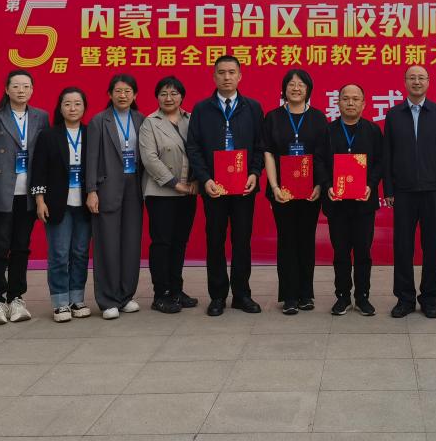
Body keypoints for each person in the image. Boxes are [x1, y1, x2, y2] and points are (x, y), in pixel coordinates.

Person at [186, 55, 265, 316]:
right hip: (214, 188)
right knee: (215, 241)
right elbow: (193, 147)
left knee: (242, 241)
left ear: (240, 76)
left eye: (232, 72)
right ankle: (218, 296)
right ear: (214, 76)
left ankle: (242, 295)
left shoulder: (252, 108)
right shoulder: (202, 109)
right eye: (221, 72)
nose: (227, 77)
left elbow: (260, 145)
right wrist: (205, 178)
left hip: (244, 187)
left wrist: (255, 173)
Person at [0, 69, 49, 326]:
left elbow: (45, 156)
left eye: (26, 86)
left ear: (32, 90)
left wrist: (43, 193)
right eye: (16, 86)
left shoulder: (41, 117)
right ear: (6, 89)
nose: (21, 90)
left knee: (21, 247)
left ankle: (16, 298)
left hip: (28, 193)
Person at [383, 65, 436, 319]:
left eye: (421, 78)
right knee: (403, 247)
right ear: (405, 82)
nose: (416, 82)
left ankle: (429, 299)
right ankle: (404, 299)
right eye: (412, 78)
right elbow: (387, 154)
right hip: (403, 192)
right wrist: (388, 188)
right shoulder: (394, 115)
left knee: (432, 247)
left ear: (428, 82)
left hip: (434, 191)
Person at [263, 69, 331, 314]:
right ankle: (289, 296)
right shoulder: (273, 117)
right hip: (282, 192)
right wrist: (274, 187)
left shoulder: (318, 118)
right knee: (287, 241)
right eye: (291, 84)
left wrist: (320, 185)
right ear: (284, 89)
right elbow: (268, 153)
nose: (295, 88)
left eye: (301, 84)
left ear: (308, 89)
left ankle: (306, 294)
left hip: (311, 191)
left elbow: (323, 156)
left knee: (306, 241)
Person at [85, 74, 145, 320]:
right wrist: (91, 191)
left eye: (128, 91)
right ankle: (108, 299)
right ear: (109, 94)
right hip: (107, 188)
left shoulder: (141, 119)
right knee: (107, 244)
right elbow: (91, 158)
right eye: (118, 91)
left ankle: (125, 296)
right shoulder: (99, 121)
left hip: (135, 188)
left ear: (135, 95)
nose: (123, 95)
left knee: (131, 243)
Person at [30, 86, 92, 322]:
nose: (72, 108)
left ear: (84, 107)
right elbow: (39, 171)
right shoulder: (48, 135)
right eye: (67, 104)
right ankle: (60, 303)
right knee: (59, 254)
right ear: (60, 107)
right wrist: (39, 200)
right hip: (57, 204)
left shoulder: (91, 133)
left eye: (77, 103)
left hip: (84, 204)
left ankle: (77, 299)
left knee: (80, 253)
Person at [139, 76, 199, 315]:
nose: (169, 98)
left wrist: (196, 180)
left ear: (182, 96)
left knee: (179, 242)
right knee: (162, 243)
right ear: (157, 97)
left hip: (190, 190)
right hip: (161, 192)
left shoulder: (192, 119)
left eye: (174, 93)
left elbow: (200, 150)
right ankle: (161, 294)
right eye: (163, 93)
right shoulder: (150, 123)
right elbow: (150, 159)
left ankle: (176, 289)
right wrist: (176, 184)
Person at [324, 83, 383, 316]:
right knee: (340, 252)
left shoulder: (373, 131)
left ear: (364, 104)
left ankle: (362, 296)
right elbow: (319, 162)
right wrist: (328, 186)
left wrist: (371, 185)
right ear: (338, 102)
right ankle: (342, 296)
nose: (350, 103)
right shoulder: (328, 131)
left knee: (363, 252)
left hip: (364, 203)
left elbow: (380, 162)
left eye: (355, 99)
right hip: (336, 204)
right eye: (346, 98)